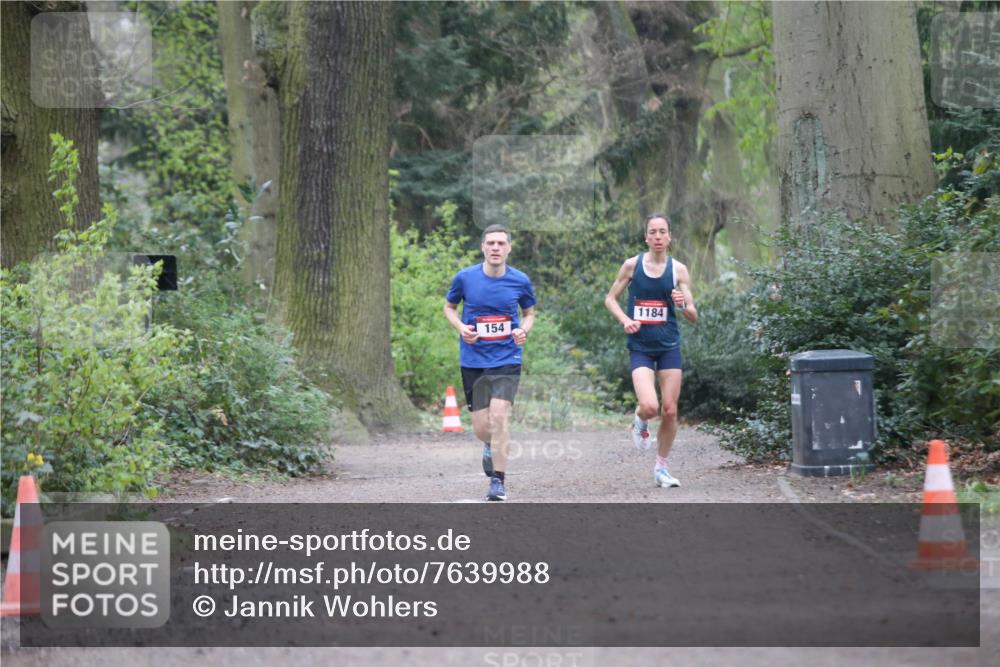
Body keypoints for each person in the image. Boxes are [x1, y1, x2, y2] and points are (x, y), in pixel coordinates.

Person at [604, 213, 697, 488]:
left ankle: (661, 468)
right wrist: (626, 319)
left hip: (669, 346)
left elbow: (693, 314)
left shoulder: (678, 270)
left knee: (669, 410)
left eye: (662, 232)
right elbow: (610, 299)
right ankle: (640, 420)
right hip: (641, 347)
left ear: (670, 237)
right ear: (646, 237)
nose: (657, 237)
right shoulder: (632, 266)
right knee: (650, 406)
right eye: (652, 232)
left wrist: (681, 306)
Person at [444, 224, 536, 501]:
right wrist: (461, 327)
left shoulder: (520, 280)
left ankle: (498, 482)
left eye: (501, 243)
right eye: (491, 243)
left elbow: (529, 313)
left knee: (499, 416)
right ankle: (488, 445)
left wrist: (523, 329)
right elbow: (449, 307)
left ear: (509, 248)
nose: (496, 248)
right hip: (473, 360)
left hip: (507, 357)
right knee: (483, 428)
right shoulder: (465, 278)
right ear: (483, 247)